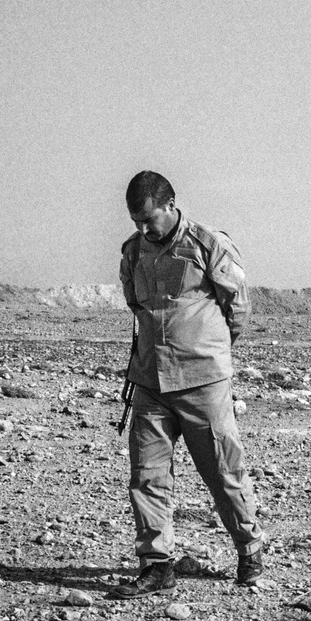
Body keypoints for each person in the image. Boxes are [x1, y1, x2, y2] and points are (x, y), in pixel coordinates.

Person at [116, 171, 266, 593]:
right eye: (136, 221)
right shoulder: (132, 252)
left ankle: (249, 548)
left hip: (202, 381)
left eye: (150, 220)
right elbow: (134, 302)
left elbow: (237, 306)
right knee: (146, 475)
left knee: (222, 469)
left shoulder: (207, 244)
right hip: (150, 381)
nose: (144, 229)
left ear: (170, 204)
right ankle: (156, 564)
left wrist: (208, 347)